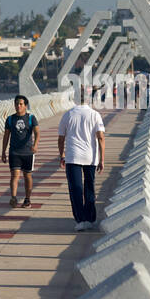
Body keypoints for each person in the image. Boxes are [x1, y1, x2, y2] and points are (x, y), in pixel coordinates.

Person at [58, 91, 105, 231]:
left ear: (74, 100)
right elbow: (101, 137)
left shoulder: (68, 115)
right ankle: (90, 219)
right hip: (91, 157)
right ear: (89, 100)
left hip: (72, 157)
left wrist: (62, 155)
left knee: (76, 189)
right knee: (89, 188)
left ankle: (80, 220)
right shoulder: (95, 114)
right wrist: (102, 159)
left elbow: (61, 138)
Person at [1, 94, 39, 208]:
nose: (18, 106)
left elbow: (37, 133)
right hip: (14, 152)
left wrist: (35, 145)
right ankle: (13, 197)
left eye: (21, 104)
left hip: (28, 152)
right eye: (16, 104)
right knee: (14, 175)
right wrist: (3, 152)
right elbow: (6, 136)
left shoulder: (31, 118)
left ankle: (27, 199)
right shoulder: (10, 119)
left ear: (25, 106)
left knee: (27, 176)